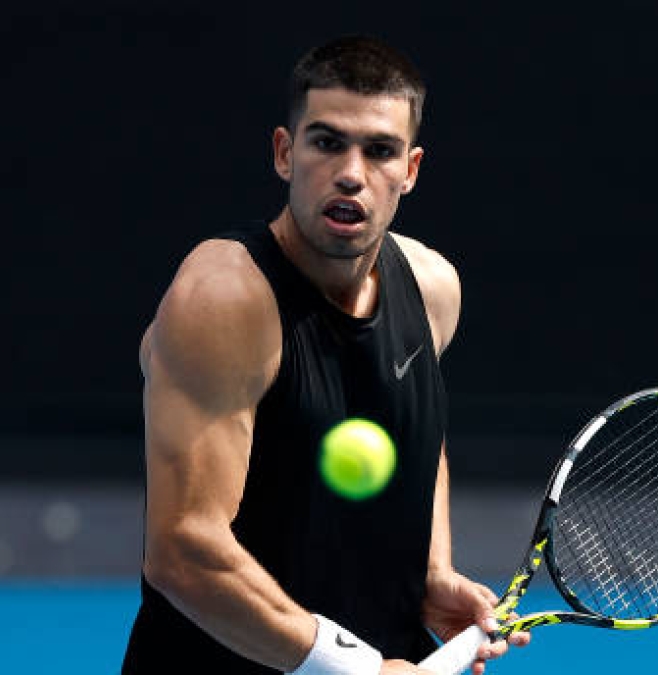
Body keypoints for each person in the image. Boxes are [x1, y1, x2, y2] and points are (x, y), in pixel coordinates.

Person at [121, 35, 529, 674]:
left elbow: (421, 442)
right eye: (327, 141)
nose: (351, 172)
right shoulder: (225, 298)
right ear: (285, 153)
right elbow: (183, 549)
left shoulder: (432, 290)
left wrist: (430, 571)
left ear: (411, 170)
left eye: (380, 150)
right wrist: (356, 668)